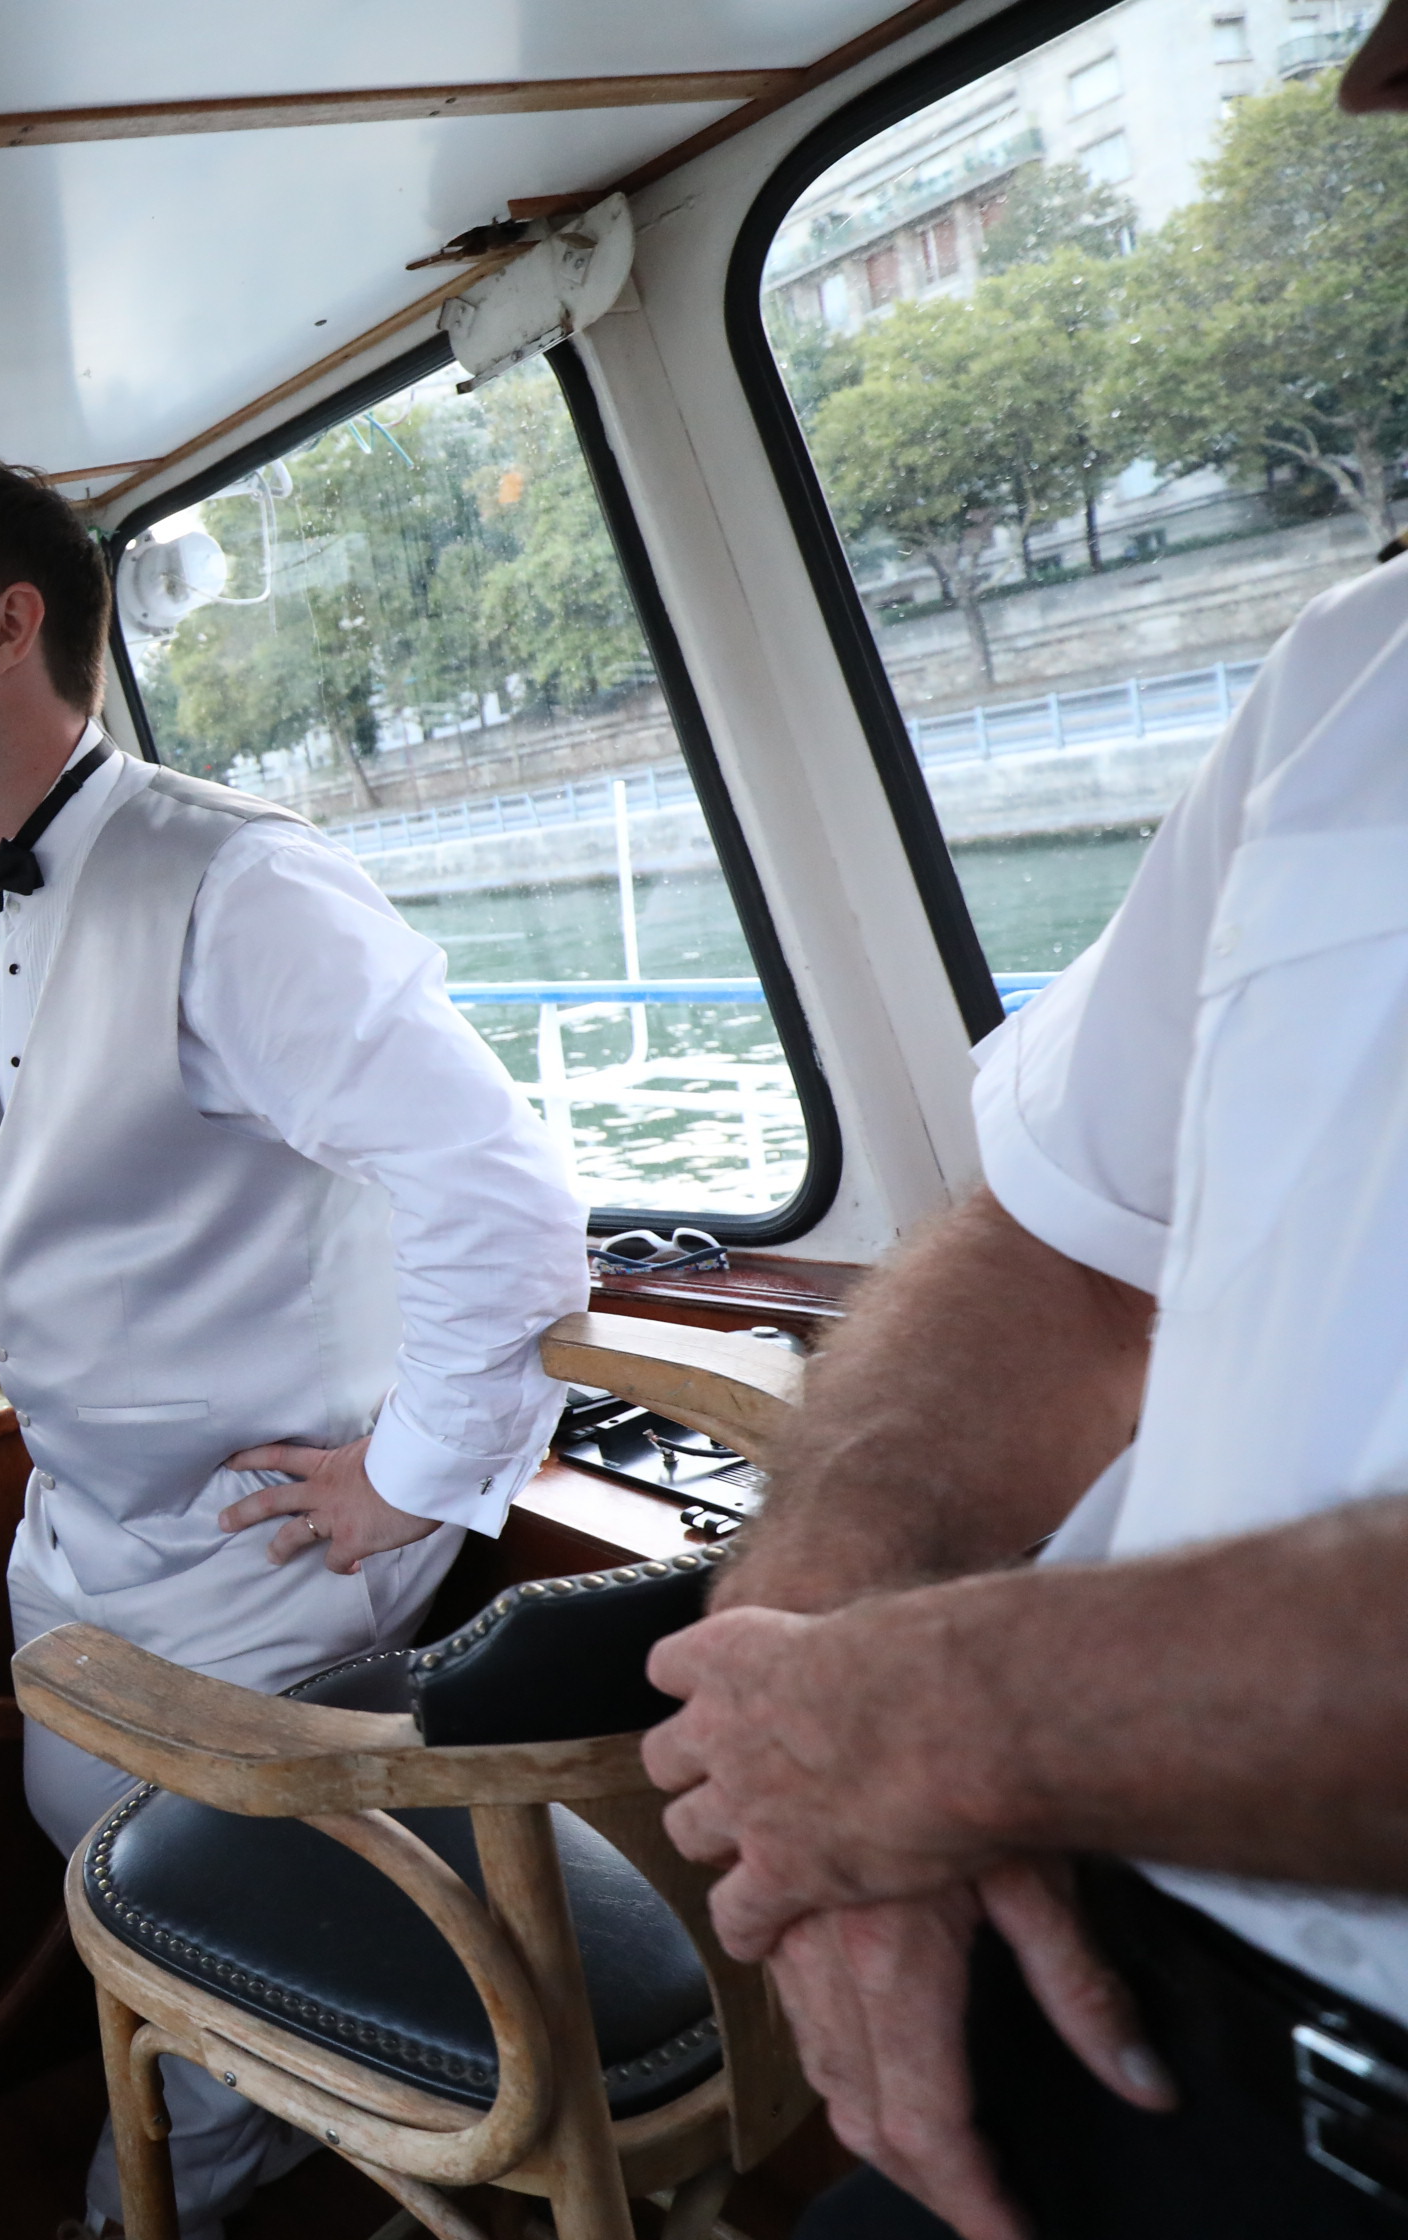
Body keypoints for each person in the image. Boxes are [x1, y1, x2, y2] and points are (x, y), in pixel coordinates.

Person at [642, 28, 1408, 2224]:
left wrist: (933, 1724)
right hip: (1130, 2012)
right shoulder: (1350, 680)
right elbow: (1056, 1254)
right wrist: (826, 1630)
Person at [0, 453, 592, 2239]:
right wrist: (12, 1301)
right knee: (131, 1891)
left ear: (6, 626)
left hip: (266, 1552)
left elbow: (498, 1199)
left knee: (195, 1934)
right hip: (87, 1544)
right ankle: (239, 2137)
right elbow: (138, 1181)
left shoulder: (232, 882)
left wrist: (414, 1479)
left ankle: (156, 2201)